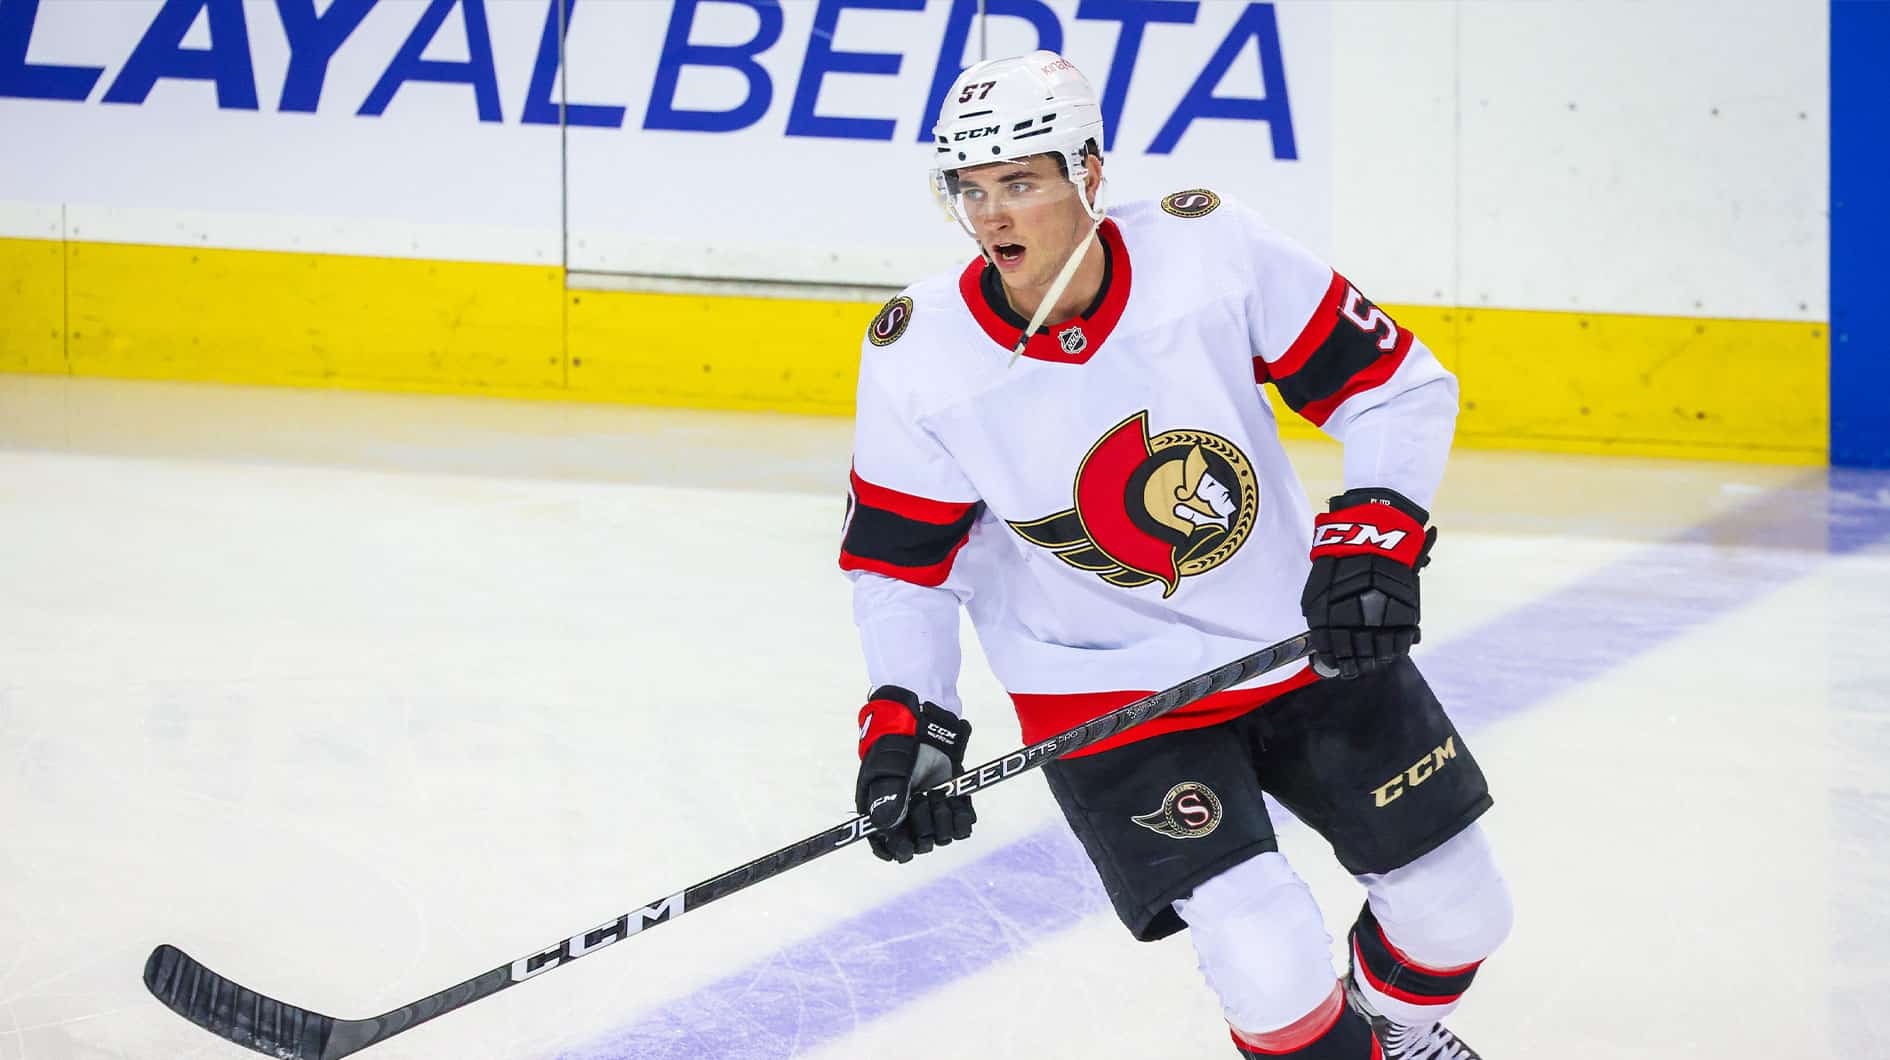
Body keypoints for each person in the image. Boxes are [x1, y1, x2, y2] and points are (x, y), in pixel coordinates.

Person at [840, 50, 1512, 1060]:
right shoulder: (918, 353)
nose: (994, 219)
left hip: (1296, 642)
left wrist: (1374, 530)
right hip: (1103, 698)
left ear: (1091, 173)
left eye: (1021, 182)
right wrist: (906, 721)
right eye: (972, 191)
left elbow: (1396, 386)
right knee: (1266, 957)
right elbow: (898, 562)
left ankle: (1398, 1035)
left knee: (1459, 911)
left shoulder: (1211, 252)